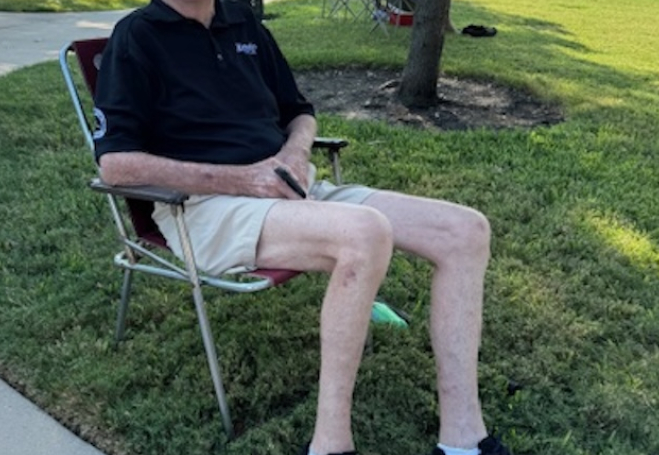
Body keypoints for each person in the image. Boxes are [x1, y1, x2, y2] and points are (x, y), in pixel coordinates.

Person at [93, 1, 513, 454]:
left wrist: (294, 153)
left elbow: (299, 111)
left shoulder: (241, 20)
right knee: (364, 233)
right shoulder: (137, 37)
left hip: (289, 187)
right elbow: (116, 164)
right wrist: (243, 180)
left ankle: (464, 440)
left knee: (465, 230)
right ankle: (329, 445)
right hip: (205, 209)